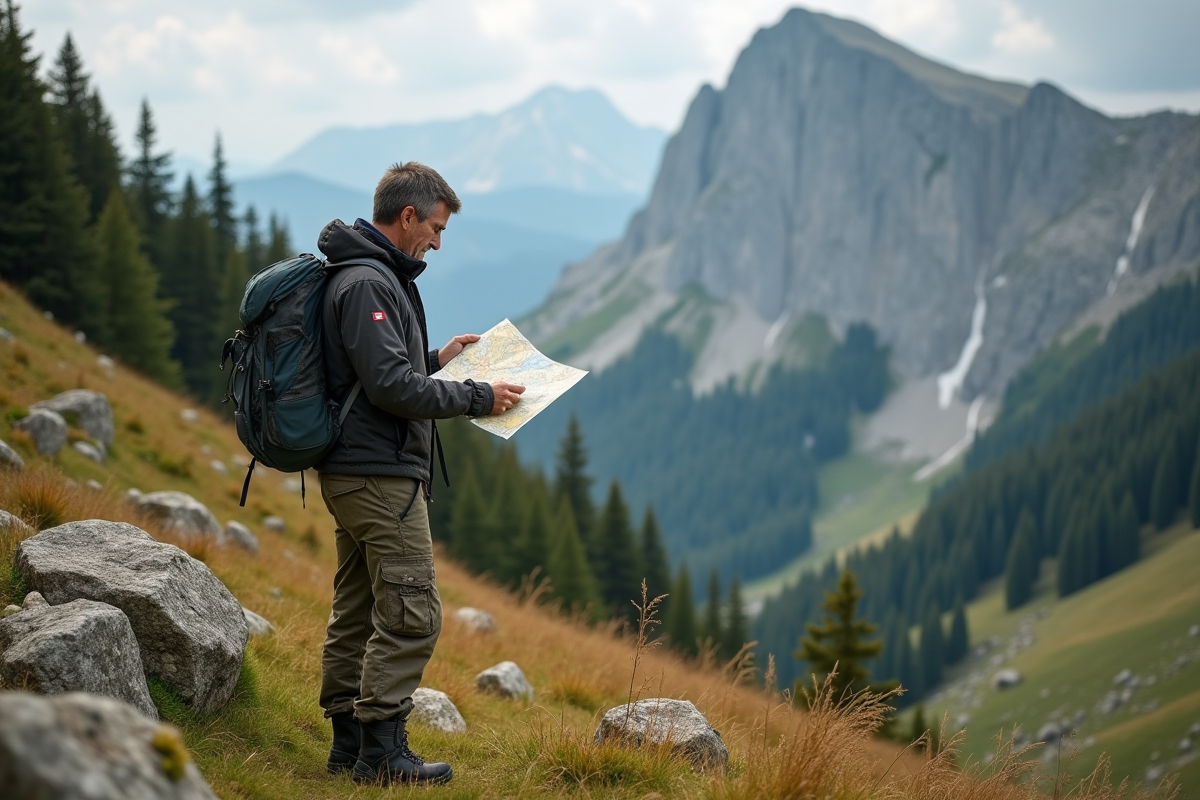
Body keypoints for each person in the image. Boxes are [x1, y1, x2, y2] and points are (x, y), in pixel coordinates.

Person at [314, 162, 524, 785]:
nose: (437, 242)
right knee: (413, 612)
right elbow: (388, 388)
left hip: (356, 469)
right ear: (407, 217)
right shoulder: (371, 283)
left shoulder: (365, 274)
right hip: (378, 475)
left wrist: (437, 359)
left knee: (357, 609)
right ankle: (383, 754)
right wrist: (475, 395)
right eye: (434, 227)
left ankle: (348, 743)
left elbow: (372, 373)